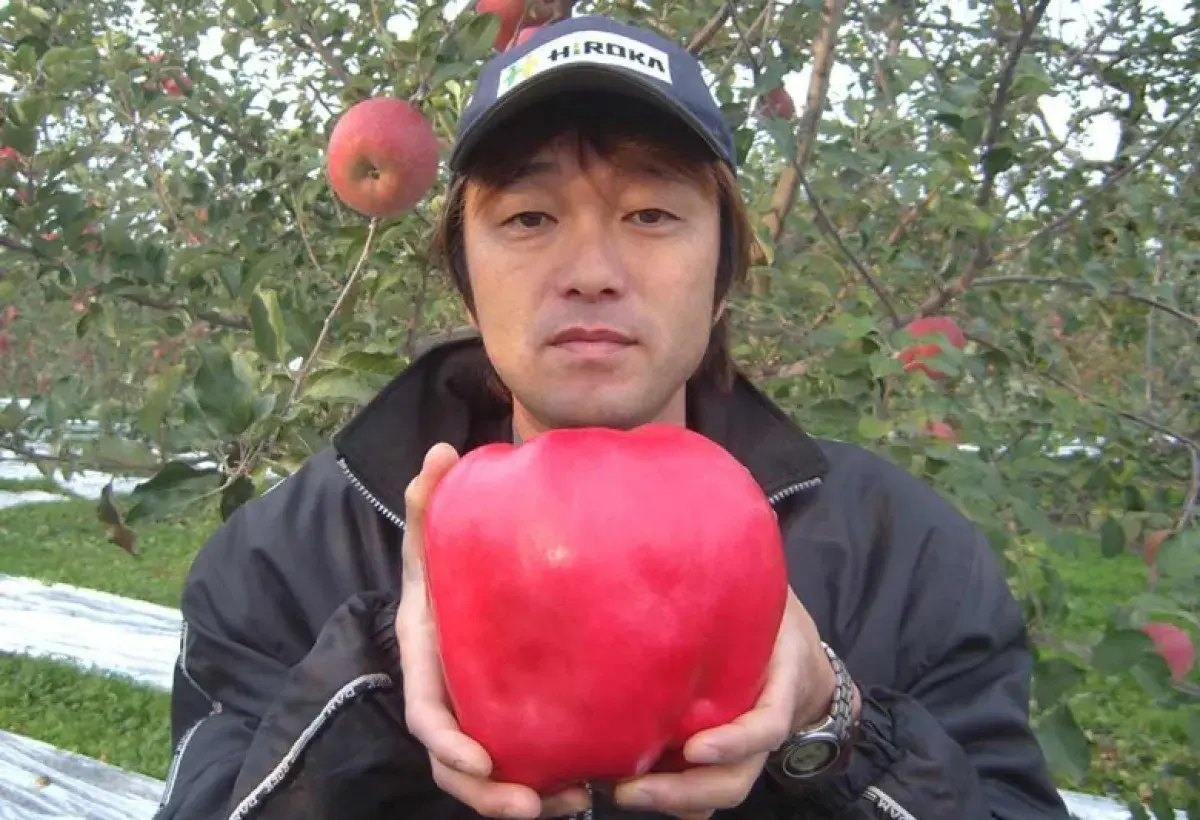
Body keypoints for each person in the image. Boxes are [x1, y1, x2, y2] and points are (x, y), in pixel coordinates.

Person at [154, 14, 1072, 820]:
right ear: (467, 281)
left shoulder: (904, 555)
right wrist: (382, 677)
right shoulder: (282, 559)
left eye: (650, 212)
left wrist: (831, 728)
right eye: (526, 219)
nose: (591, 267)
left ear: (723, 278)